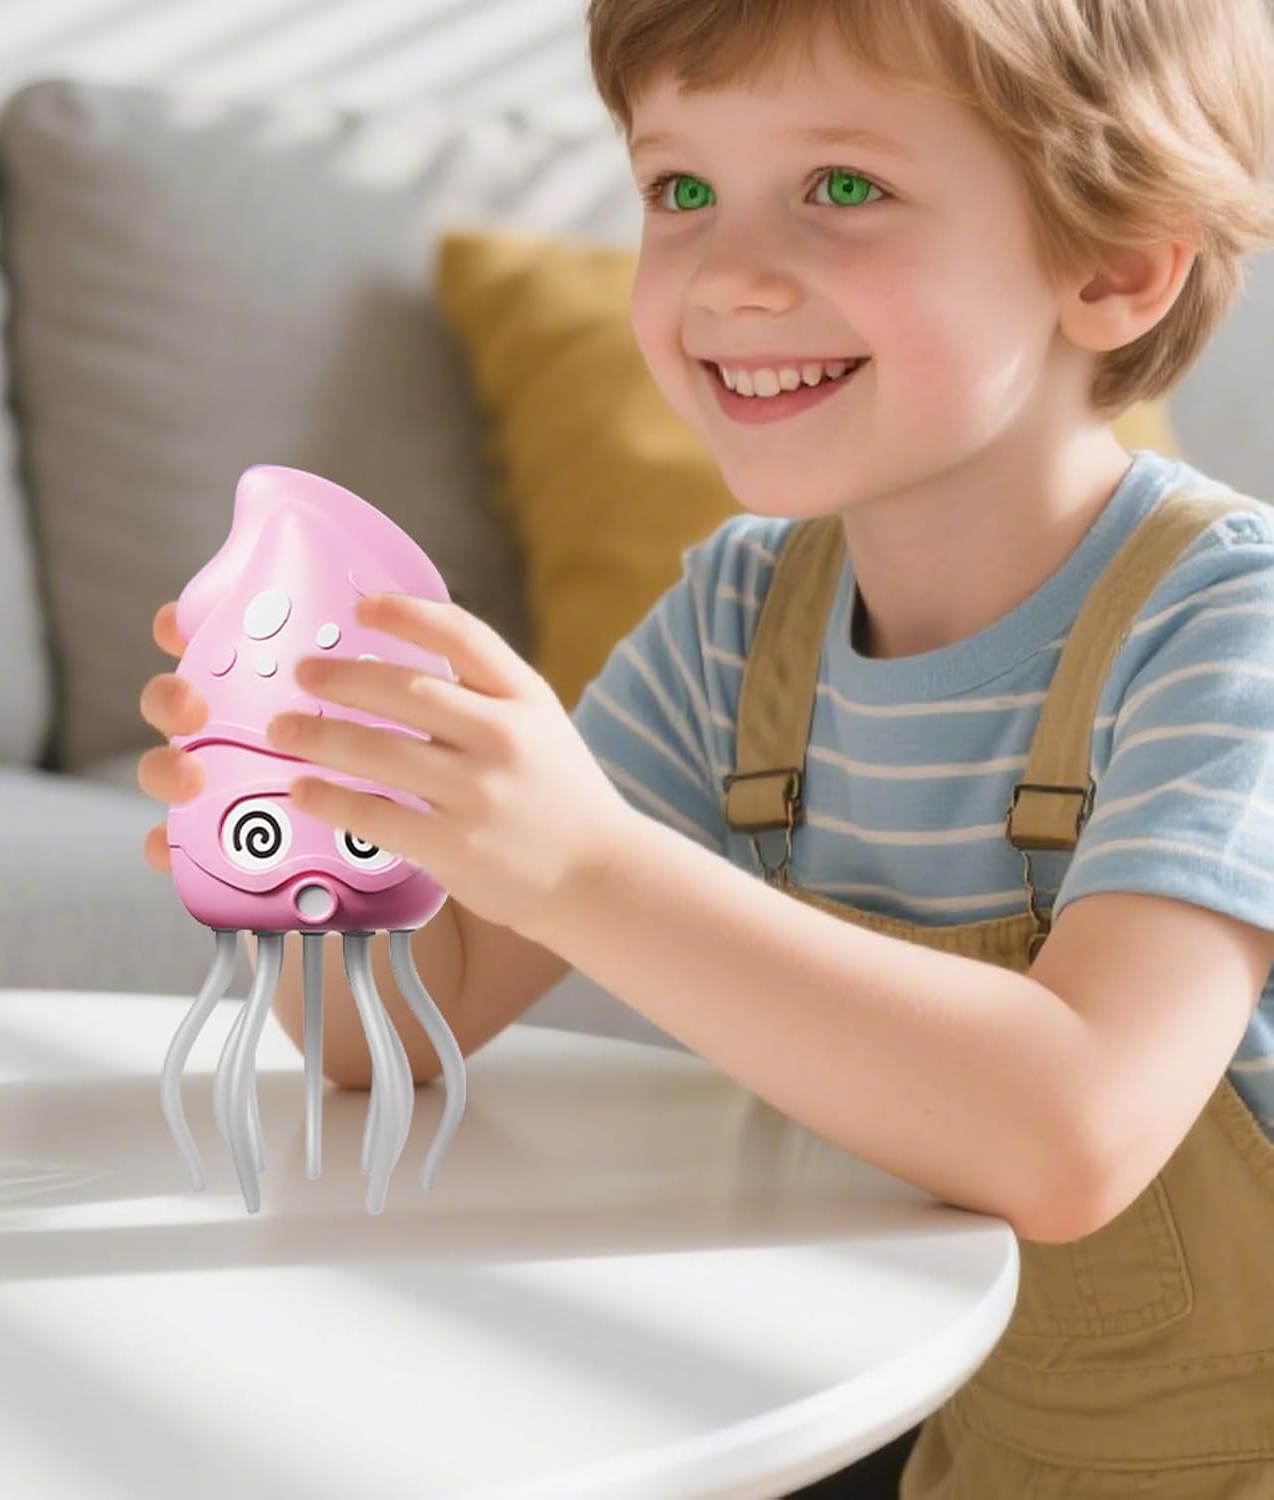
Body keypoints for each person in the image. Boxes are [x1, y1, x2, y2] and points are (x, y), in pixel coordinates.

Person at [139, 1, 1274, 1494]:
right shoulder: (743, 619)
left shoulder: (1228, 627)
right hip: (968, 1447)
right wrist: (303, 824)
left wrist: (584, 867)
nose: (727, 273)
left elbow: (1072, 1134)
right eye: (680, 188)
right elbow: (394, 1033)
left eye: (843, 186)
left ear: (1115, 266)